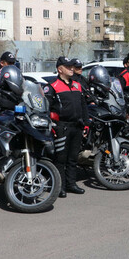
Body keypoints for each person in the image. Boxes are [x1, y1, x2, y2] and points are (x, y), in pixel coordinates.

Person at [44, 56, 89, 198]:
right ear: (60, 69)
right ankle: (60, 187)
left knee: (73, 158)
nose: (71, 69)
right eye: (68, 67)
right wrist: (52, 126)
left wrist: (86, 124)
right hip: (61, 127)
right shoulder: (52, 86)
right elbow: (47, 108)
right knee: (60, 158)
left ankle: (71, 184)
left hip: (77, 126)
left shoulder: (77, 85)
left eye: (72, 66)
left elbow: (83, 106)